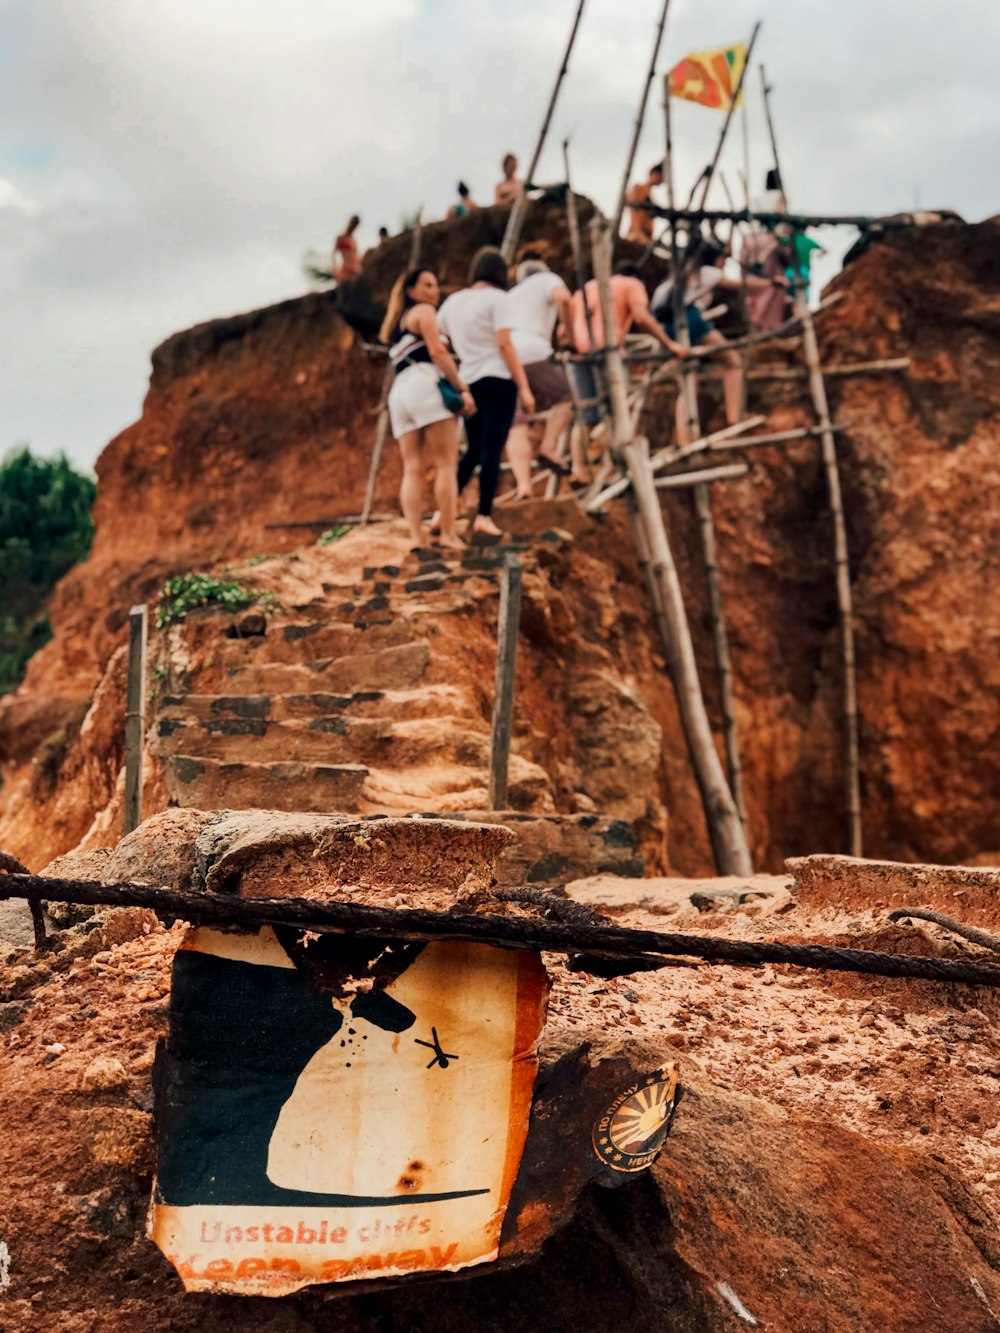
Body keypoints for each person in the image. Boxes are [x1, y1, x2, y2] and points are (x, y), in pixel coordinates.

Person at [436, 247, 535, 540]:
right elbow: (505, 345)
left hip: (468, 380)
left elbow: (439, 340)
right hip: (499, 379)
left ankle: (443, 512)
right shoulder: (499, 299)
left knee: (473, 451)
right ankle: (484, 516)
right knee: (492, 448)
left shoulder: (454, 302)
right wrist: (525, 388)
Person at [380, 268, 474, 552]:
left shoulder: (396, 327)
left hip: (399, 394)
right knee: (446, 463)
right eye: (427, 285)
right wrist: (462, 388)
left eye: (435, 286)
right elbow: (437, 352)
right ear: (411, 290)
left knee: (412, 469)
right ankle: (448, 533)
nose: (434, 291)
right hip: (425, 386)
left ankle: (416, 538)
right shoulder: (423, 312)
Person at [651, 238, 788, 429]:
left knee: (689, 386)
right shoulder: (706, 272)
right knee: (732, 360)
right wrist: (771, 283)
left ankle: (685, 439)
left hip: (667, 329)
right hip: (689, 320)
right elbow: (743, 284)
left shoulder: (672, 281)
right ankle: (735, 417)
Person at [568, 262, 686, 428]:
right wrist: (669, 343)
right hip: (605, 352)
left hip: (577, 356)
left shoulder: (587, 288)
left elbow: (563, 330)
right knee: (617, 411)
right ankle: (616, 451)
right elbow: (641, 317)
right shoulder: (632, 284)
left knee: (586, 416)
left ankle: (585, 453)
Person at [504, 258, 582, 496]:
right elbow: (564, 299)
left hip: (507, 358)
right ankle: (548, 446)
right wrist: (569, 338)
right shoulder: (547, 279)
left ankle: (524, 486)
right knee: (568, 394)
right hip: (534, 350)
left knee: (516, 424)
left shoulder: (511, 295)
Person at [624, 162, 663, 244]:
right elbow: (634, 211)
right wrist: (637, 232)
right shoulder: (639, 188)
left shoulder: (651, 196)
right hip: (637, 236)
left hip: (647, 237)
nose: (662, 180)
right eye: (661, 176)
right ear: (655, 174)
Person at [333, 215, 362, 279]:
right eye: (353, 224)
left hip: (355, 270)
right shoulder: (340, 237)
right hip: (345, 270)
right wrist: (335, 269)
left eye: (355, 225)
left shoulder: (354, 240)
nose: (353, 227)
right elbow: (334, 254)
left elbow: (357, 255)